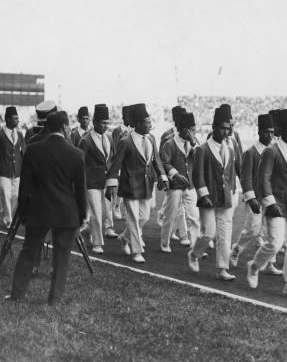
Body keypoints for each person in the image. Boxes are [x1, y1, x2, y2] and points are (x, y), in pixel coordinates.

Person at [7, 111, 86, 305]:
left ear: (48, 127)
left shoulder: (33, 150)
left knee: (28, 252)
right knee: (61, 258)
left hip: (38, 210)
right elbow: (80, 192)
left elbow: (25, 188)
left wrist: (23, 213)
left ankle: (17, 295)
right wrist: (82, 215)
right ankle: (54, 300)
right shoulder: (76, 154)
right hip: (66, 213)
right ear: (65, 127)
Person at [245, 109, 287, 299]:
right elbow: (262, 179)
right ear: (281, 130)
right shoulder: (271, 151)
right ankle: (255, 265)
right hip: (277, 205)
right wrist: (270, 202)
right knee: (275, 243)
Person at [106, 103, 169, 263]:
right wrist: (111, 184)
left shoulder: (151, 139)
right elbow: (116, 164)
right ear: (138, 124)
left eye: (150, 122)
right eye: (146, 123)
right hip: (129, 186)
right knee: (133, 218)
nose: (150, 125)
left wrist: (162, 176)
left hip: (146, 186)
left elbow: (156, 160)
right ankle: (136, 251)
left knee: (144, 217)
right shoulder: (125, 141)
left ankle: (123, 238)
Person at [188, 106, 238, 281]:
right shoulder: (202, 149)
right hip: (208, 198)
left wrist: (231, 191)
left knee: (225, 234)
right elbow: (197, 175)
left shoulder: (230, 150)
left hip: (225, 198)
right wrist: (203, 195)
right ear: (214, 127)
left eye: (228, 128)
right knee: (208, 233)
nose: (226, 131)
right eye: (223, 128)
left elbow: (230, 174)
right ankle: (194, 254)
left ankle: (222, 269)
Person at [229, 114, 281, 275]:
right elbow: (245, 178)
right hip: (256, 199)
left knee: (271, 233)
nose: (270, 135)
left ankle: (269, 263)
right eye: (267, 132)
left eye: (272, 132)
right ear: (259, 132)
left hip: (270, 198)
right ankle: (237, 249)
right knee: (253, 229)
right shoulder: (250, 153)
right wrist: (251, 198)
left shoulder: (275, 151)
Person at [78, 104, 117, 254]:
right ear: (94, 123)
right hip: (91, 182)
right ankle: (97, 243)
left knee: (106, 211)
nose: (105, 126)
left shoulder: (109, 138)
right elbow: (80, 163)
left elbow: (111, 160)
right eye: (102, 122)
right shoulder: (85, 140)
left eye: (107, 122)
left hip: (105, 181)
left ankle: (88, 230)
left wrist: (112, 180)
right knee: (95, 212)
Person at [159, 112, 199, 252]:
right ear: (183, 129)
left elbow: (200, 158)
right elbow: (165, 163)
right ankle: (165, 242)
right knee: (170, 215)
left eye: (194, 130)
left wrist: (193, 142)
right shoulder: (170, 143)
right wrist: (175, 174)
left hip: (190, 185)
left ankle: (196, 246)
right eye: (191, 130)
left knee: (194, 217)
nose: (193, 133)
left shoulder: (194, 143)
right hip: (175, 186)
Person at [0, 106, 26, 228]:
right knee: (5, 194)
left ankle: (5, 211)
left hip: (17, 171)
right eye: (15, 118)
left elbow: (23, 152)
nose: (18, 121)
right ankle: (8, 220)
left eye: (18, 118)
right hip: (3, 171)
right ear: (7, 119)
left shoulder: (20, 135)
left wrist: (25, 168)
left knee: (15, 196)